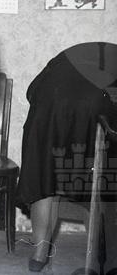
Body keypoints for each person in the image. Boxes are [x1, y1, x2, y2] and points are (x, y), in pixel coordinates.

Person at [16, 42, 117, 272]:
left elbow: (32, 91)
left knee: (44, 178)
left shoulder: (76, 56)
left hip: (49, 101)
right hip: (91, 102)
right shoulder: (108, 62)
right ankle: (99, 258)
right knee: (97, 182)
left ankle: (39, 256)